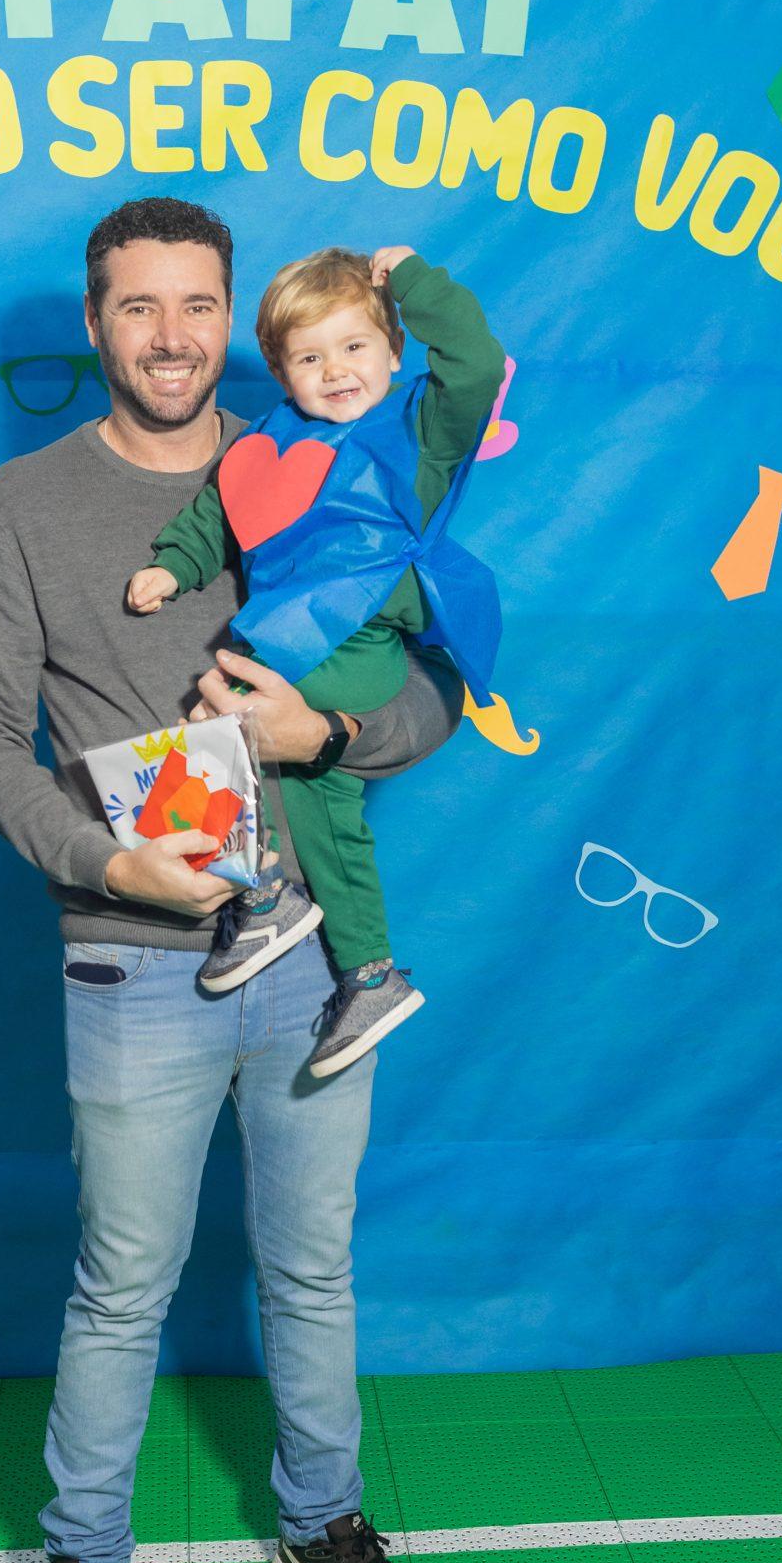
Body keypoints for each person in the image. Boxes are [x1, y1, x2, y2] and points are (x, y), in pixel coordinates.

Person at [0, 196, 462, 1563]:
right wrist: (101, 863)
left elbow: (432, 684)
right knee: (122, 1284)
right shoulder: (19, 507)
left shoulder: (321, 457)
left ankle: (323, 1529)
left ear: (234, 318)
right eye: (137, 306)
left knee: (312, 1269)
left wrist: (328, 731)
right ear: (93, 323)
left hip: (319, 963)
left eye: (196, 305)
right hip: (134, 959)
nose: (170, 336)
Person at [127, 242, 504, 1079]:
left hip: (353, 637)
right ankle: (363, 970)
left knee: (224, 724)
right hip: (289, 635)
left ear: (394, 351)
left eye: (354, 346)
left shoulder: (418, 426)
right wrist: (173, 565)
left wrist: (415, 282)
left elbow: (477, 365)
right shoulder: (266, 439)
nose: (335, 371)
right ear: (279, 371)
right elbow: (217, 516)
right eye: (308, 357)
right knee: (316, 806)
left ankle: (265, 893)